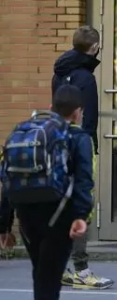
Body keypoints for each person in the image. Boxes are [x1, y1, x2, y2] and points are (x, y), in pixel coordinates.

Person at [0, 85, 94, 300]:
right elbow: (83, 179)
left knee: (40, 272)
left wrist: (4, 223)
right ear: (78, 112)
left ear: (51, 108)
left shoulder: (24, 132)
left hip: (25, 211)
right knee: (50, 277)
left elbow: (7, 177)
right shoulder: (79, 138)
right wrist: (80, 215)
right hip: (59, 213)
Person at [51, 25, 113, 290]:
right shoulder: (86, 78)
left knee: (61, 204)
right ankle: (82, 270)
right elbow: (85, 118)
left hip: (56, 140)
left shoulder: (60, 73)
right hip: (79, 143)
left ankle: (60, 266)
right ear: (95, 48)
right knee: (81, 204)